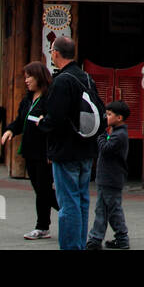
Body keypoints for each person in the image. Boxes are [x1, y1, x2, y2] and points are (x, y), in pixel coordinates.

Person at [38, 36, 99, 250]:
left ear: (55, 52)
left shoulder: (62, 81)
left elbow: (55, 117)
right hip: (86, 148)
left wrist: (42, 123)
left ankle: (71, 247)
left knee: (68, 203)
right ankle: (79, 244)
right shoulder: (87, 78)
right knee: (82, 199)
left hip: (66, 150)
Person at [0, 62, 60, 240]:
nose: (26, 81)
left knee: (44, 190)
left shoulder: (49, 99)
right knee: (39, 189)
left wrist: (51, 151)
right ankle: (49, 223)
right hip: (29, 151)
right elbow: (20, 120)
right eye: (25, 77)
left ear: (39, 77)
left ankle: (59, 218)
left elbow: (53, 125)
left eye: (29, 77)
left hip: (44, 152)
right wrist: (10, 130)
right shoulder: (28, 99)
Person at [87, 100, 130, 250]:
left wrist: (100, 135)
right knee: (102, 209)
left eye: (110, 114)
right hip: (106, 178)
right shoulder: (115, 133)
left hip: (111, 179)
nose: (106, 117)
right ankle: (96, 238)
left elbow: (105, 148)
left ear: (119, 118)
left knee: (113, 209)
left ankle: (122, 237)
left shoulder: (120, 135)